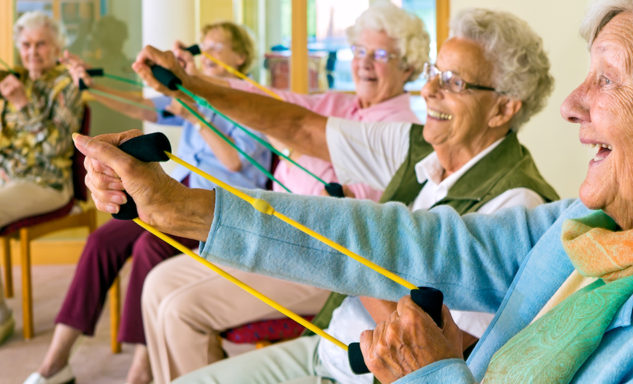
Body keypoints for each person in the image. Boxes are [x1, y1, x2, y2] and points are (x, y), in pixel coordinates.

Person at [81, 0, 633, 382]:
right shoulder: (599, 225)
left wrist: (430, 373)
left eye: (609, 80)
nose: (574, 105)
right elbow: (406, 236)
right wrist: (188, 206)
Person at [106, 5, 557, 383]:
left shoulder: (518, 205)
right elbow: (299, 125)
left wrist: (347, 243)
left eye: (454, 82)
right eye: (434, 73)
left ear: (504, 108)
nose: (429, 90)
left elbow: (446, 349)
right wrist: (191, 87)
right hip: (325, 349)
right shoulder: (419, 143)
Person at [140, 3, 429, 382]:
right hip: (270, 236)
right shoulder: (339, 103)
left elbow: (356, 212)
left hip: (321, 260)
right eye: (359, 51)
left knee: (180, 309)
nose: (364, 63)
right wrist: (190, 79)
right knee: (157, 284)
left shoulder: (402, 128)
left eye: (379, 55)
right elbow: (274, 106)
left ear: (408, 65)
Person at [24, 22, 271, 384]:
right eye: (207, 46)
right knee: (101, 241)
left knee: (148, 247)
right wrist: (92, 86)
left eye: (219, 47)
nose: (210, 53)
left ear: (242, 56)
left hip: (221, 207)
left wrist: (195, 114)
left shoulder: (252, 100)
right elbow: (139, 104)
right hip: (180, 192)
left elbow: (235, 163)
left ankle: (140, 371)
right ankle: (56, 362)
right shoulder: (197, 93)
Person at [0, 11, 83, 348]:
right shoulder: (17, 79)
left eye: (41, 44)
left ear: (57, 46)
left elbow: (56, 147)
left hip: (48, 183)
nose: (33, 51)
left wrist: (22, 103)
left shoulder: (66, 84)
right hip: (11, 180)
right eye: (26, 44)